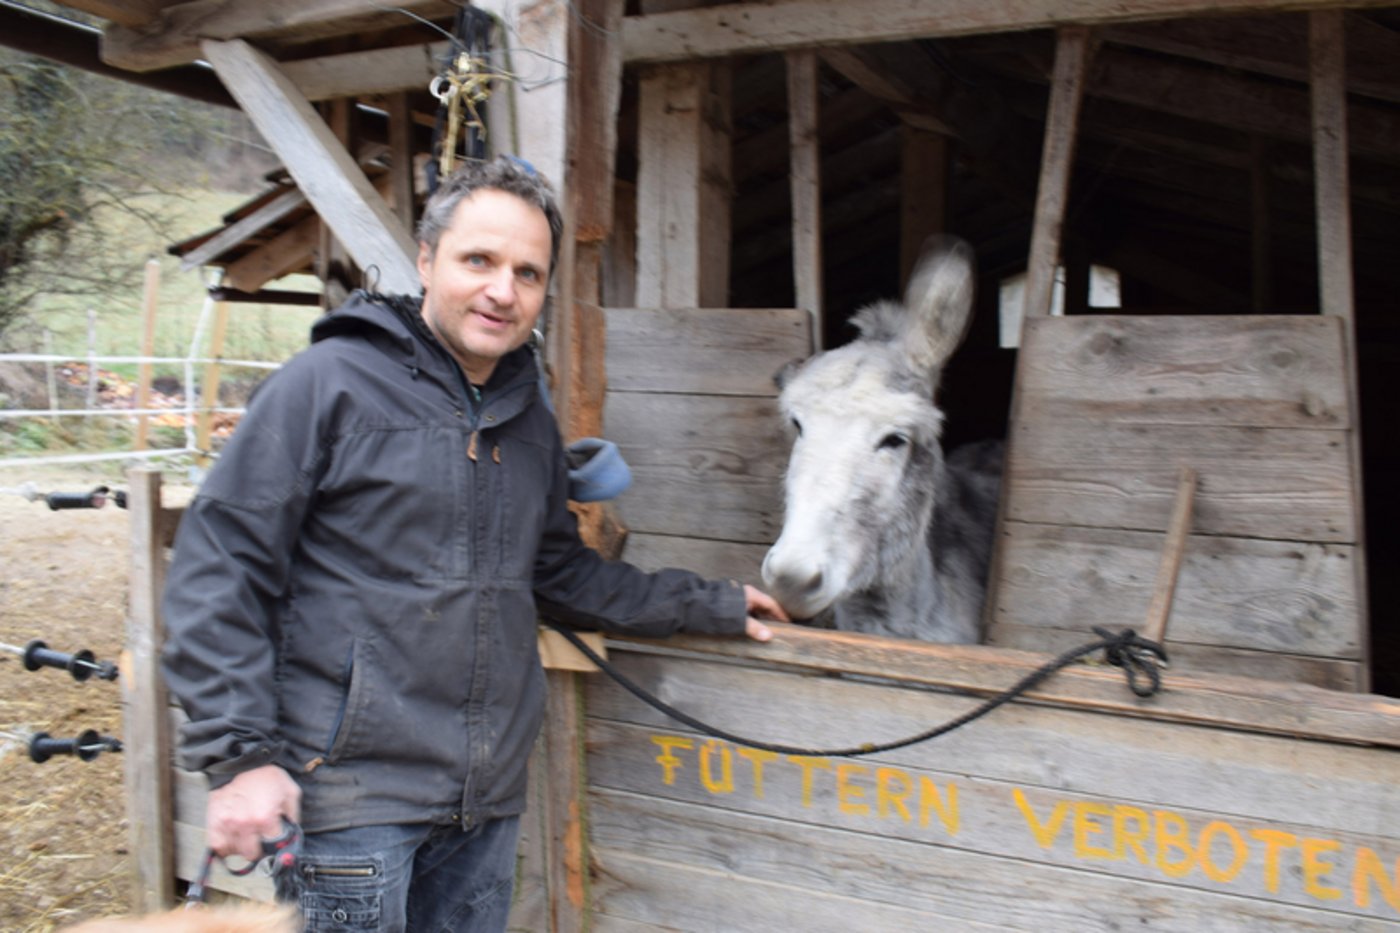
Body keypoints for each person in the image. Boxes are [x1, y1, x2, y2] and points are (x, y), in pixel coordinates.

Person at [161, 155, 787, 932]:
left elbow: (560, 575)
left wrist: (711, 602)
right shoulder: (328, 386)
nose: (503, 290)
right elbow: (218, 569)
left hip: (481, 804)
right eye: (479, 260)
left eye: (528, 272)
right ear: (427, 260)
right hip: (350, 798)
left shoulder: (526, 419)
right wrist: (240, 755)